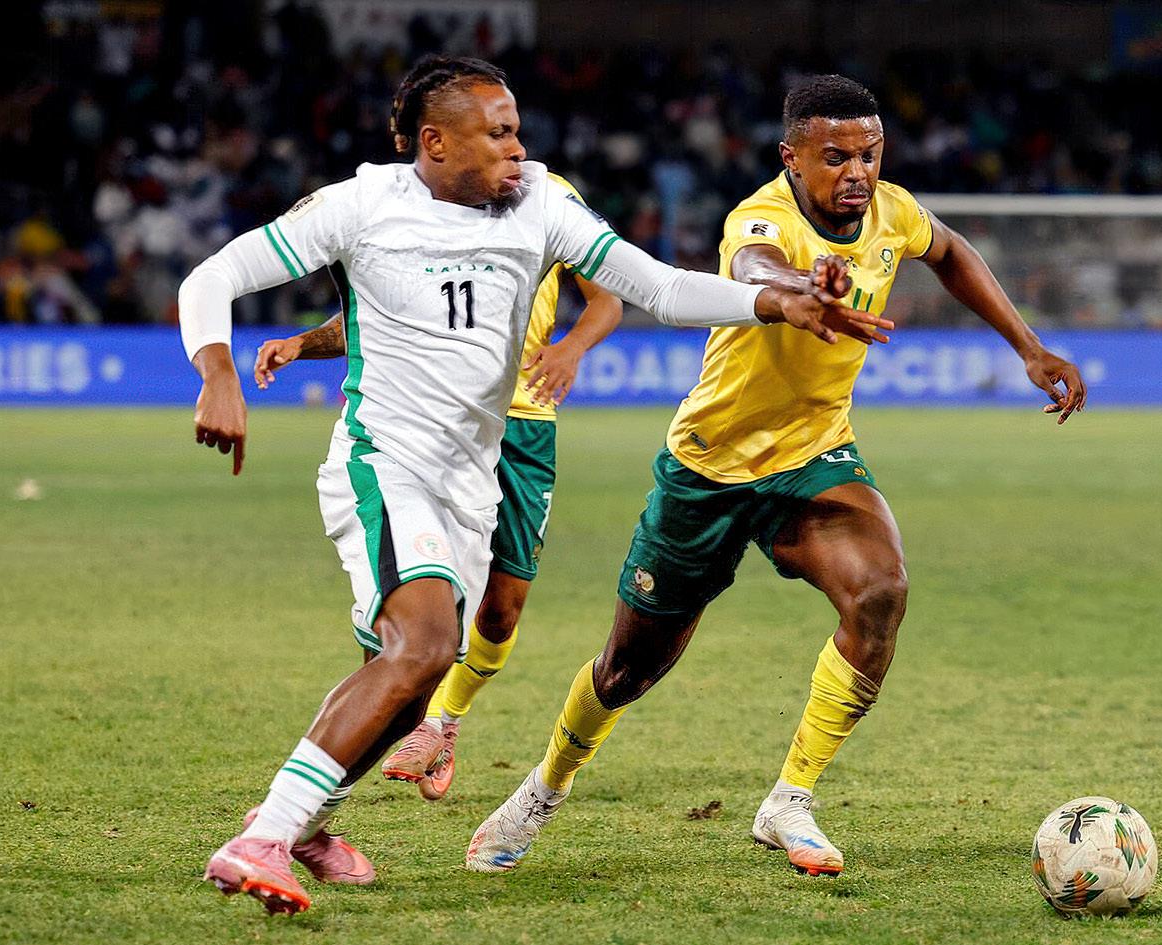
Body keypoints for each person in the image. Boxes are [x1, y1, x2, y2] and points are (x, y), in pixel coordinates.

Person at [180, 56, 888, 915]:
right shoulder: (360, 206)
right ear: (436, 143)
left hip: (473, 481)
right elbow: (212, 276)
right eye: (499, 133)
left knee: (403, 686)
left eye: (518, 130)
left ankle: (305, 822)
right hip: (386, 461)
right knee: (422, 648)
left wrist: (778, 302)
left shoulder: (541, 204)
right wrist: (217, 372)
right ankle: (260, 839)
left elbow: (659, 287)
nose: (519, 148)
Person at [466, 74, 1087, 878]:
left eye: (869, 153)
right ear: (791, 157)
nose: (857, 172)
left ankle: (789, 799)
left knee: (881, 591)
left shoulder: (892, 211)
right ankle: (545, 786)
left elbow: (950, 251)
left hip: (813, 455)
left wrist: (1029, 348)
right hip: (709, 466)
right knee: (628, 668)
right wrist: (802, 285)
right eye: (836, 157)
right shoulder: (759, 216)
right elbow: (756, 263)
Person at [252, 171, 624, 802]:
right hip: (439, 421)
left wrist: (571, 348)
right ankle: (416, 720)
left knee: (501, 608)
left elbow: (607, 299)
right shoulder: (416, 202)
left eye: (507, 130)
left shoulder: (548, 197)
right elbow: (381, 320)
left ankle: (444, 721)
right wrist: (301, 344)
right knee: (425, 595)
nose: (505, 145)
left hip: (525, 425)